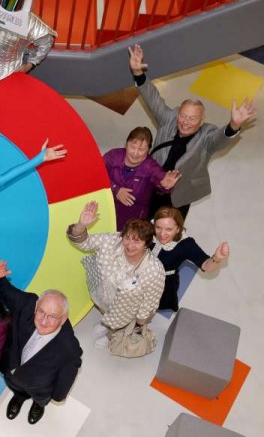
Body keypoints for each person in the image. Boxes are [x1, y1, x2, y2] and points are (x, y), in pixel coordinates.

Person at [128, 44, 257, 219]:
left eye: (192, 119)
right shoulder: (169, 118)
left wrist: (233, 125)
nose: (185, 122)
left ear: (202, 121)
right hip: (151, 186)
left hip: (178, 196)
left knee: (168, 237)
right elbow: (153, 99)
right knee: (139, 226)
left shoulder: (206, 135)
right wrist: (138, 73)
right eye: (183, 116)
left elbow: (218, 140)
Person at [0, 260, 82, 425]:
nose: (43, 321)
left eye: (52, 317)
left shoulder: (69, 347)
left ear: (63, 319)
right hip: (12, 370)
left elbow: (67, 376)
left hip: (40, 387)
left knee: (40, 398)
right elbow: (7, 292)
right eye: (41, 312)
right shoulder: (28, 304)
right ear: (36, 307)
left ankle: (38, 406)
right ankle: (19, 397)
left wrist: (57, 397)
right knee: (17, 388)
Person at [67, 201, 165, 349]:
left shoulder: (154, 269)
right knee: (105, 310)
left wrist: (139, 324)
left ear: (146, 244)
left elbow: (150, 300)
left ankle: (111, 334)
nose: (129, 246)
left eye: (137, 242)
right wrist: (82, 225)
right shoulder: (112, 240)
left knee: (121, 323)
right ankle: (106, 323)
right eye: (127, 238)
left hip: (126, 310)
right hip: (104, 293)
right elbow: (84, 243)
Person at [153, 206, 230, 311]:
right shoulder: (148, 230)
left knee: (145, 313)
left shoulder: (186, 244)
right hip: (137, 279)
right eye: (158, 227)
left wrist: (216, 258)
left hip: (160, 286)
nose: (162, 234)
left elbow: (207, 266)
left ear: (178, 229)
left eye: (169, 229)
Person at [103, 126, 181, 231]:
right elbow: (96, 174)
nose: (135, 153)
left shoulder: (150, 166)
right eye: (132, 147)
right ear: (126, 144)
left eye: (141, 149)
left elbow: (160, 178)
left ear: (148, 150)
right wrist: (116, 189)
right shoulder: (113, 155)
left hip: (132, 222)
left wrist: (166, 185)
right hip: (104, 210)